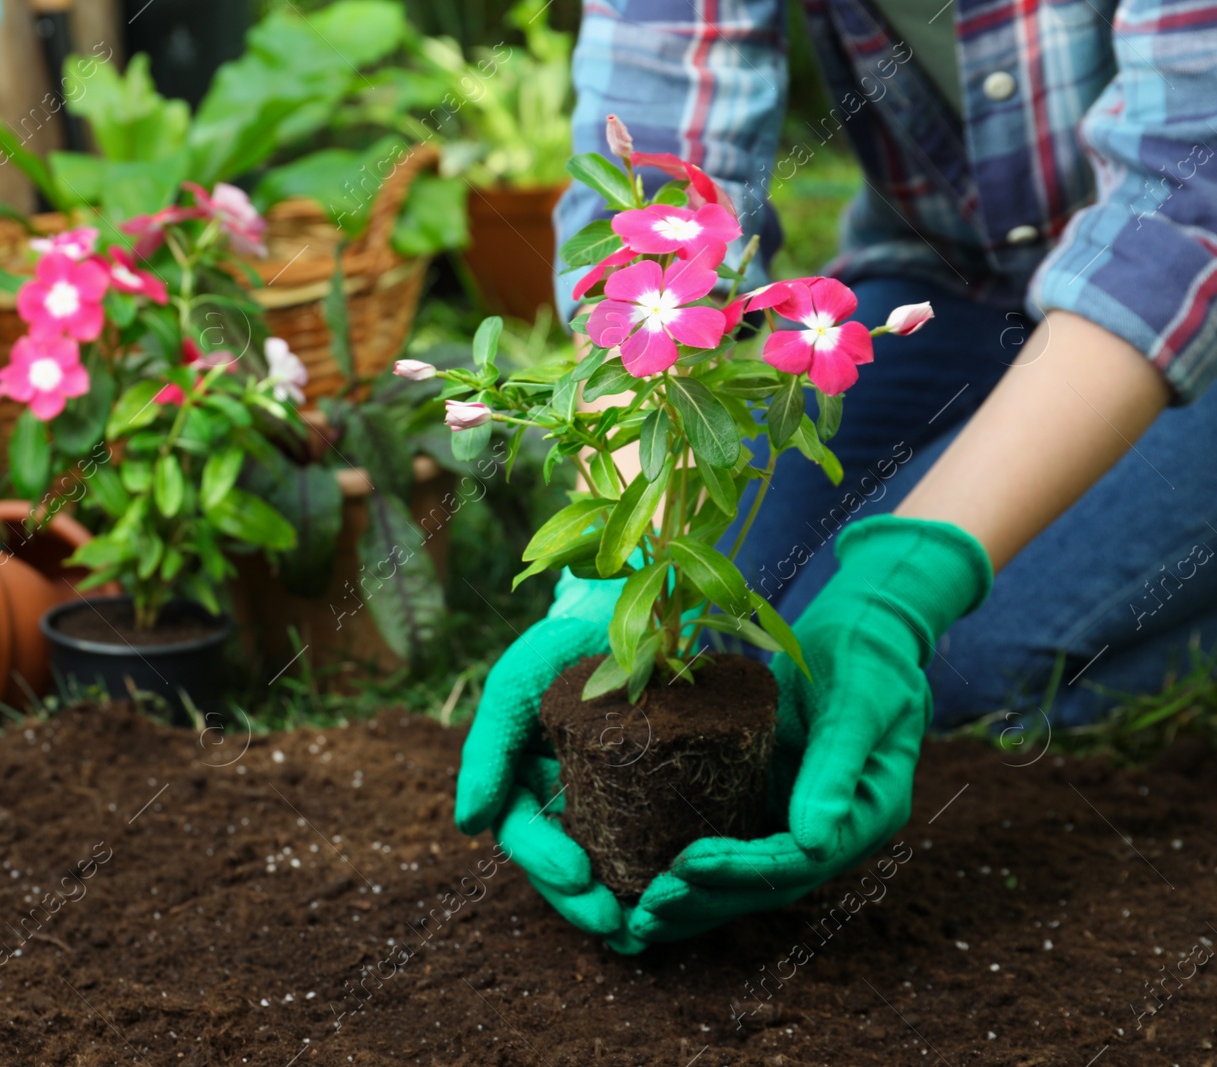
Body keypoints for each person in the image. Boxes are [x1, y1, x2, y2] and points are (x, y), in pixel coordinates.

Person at [454, 0, 1217, 952]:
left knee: (953, 658)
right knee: (740, 628)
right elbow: (657, 183)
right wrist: (617, 564)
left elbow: (1188, 206)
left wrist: (905, 585)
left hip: (1194, 317)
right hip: (957, 285)